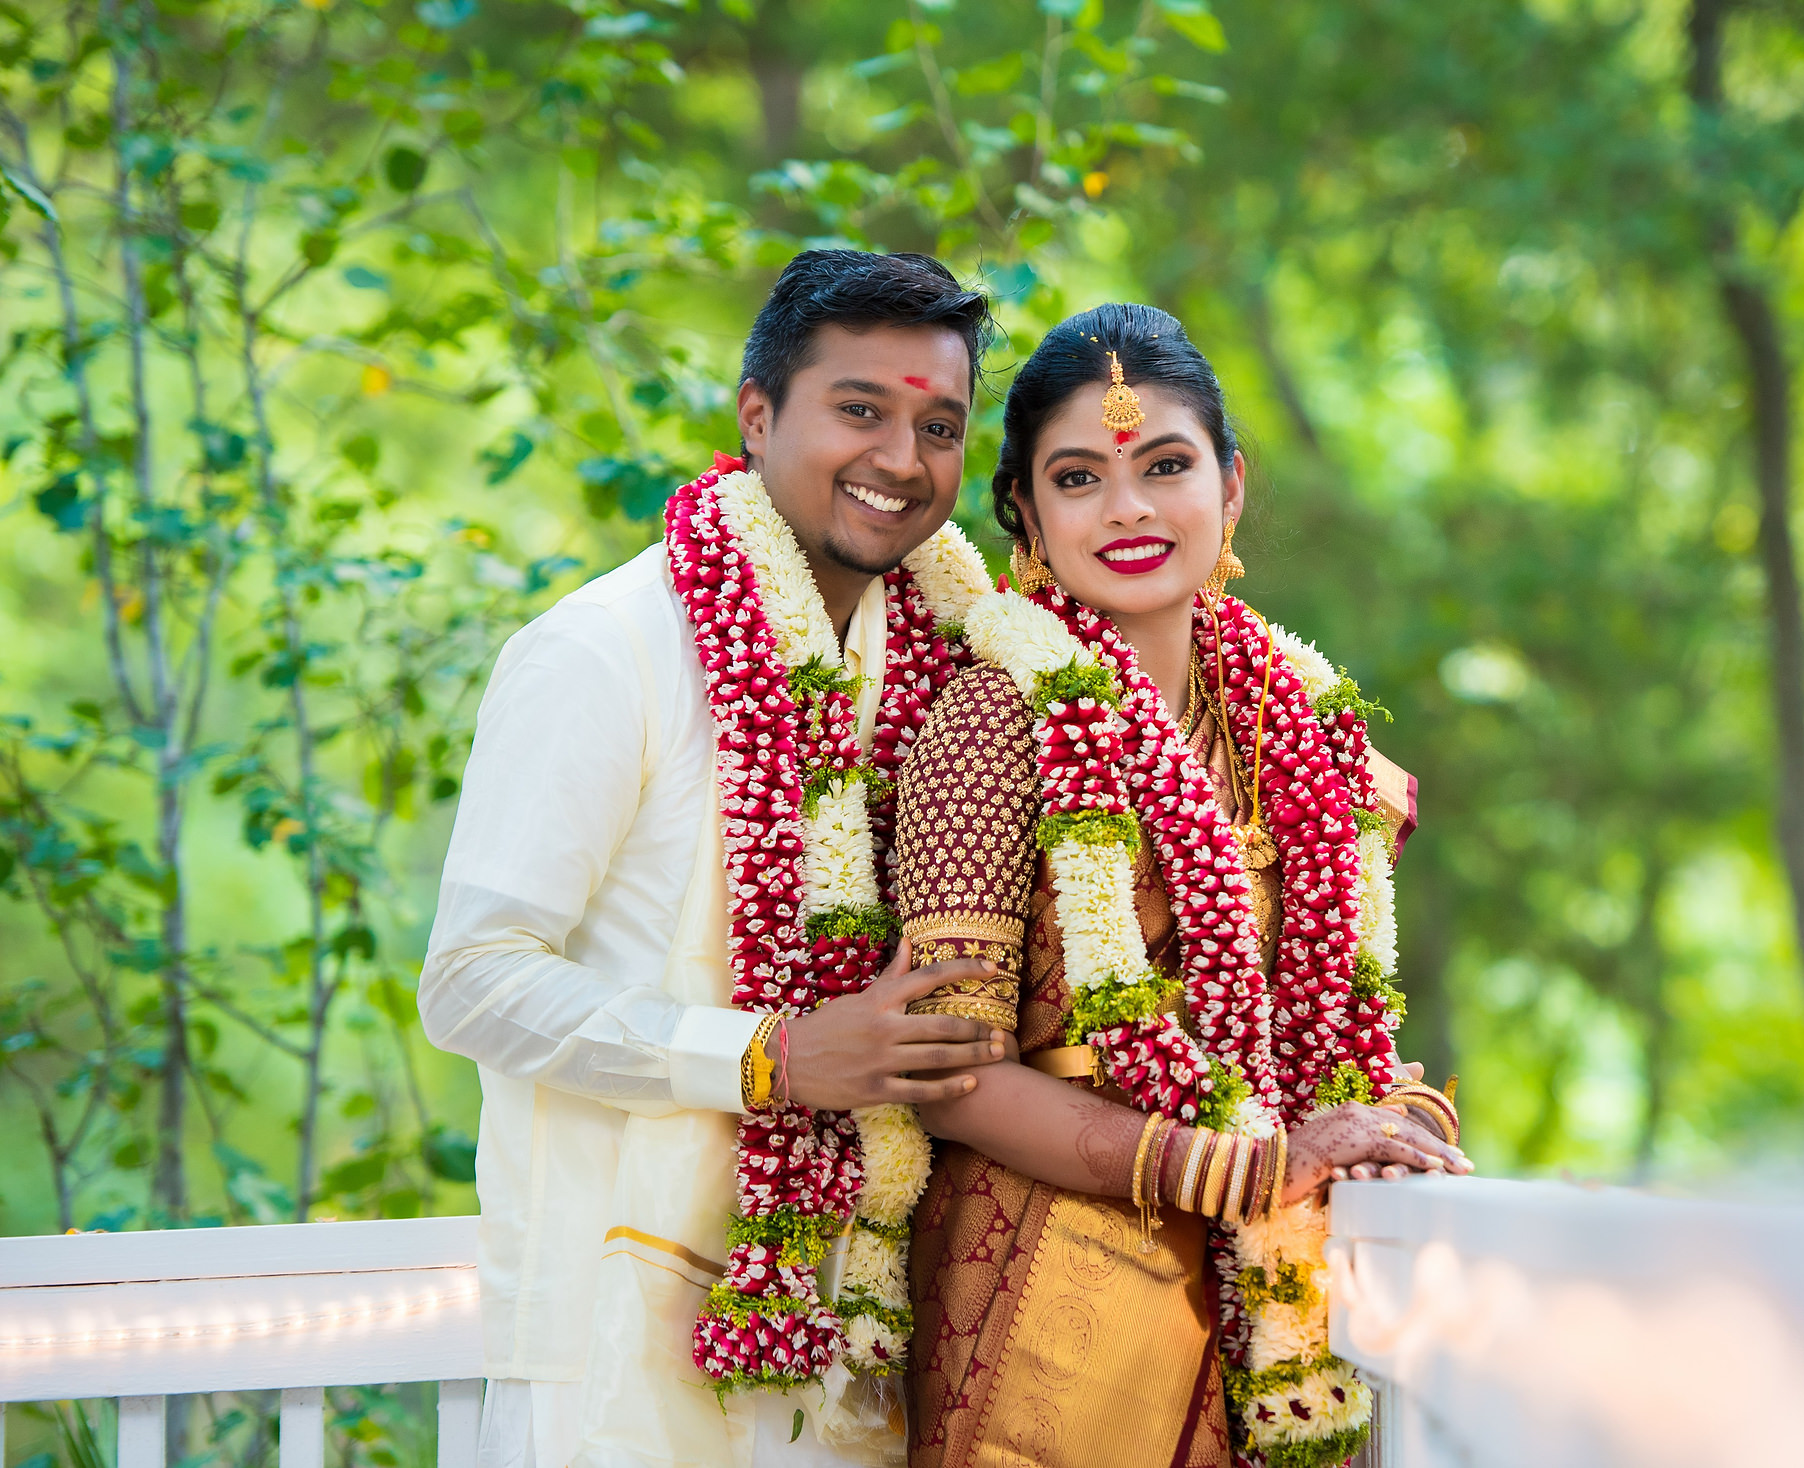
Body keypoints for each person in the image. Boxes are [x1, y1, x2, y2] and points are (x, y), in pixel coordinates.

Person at [419, 250, 1014, 1468]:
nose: (902, 460)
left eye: (938, 425)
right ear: (756, 413)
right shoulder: (603, 650)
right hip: (620, 1348)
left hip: (855, 1340)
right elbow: (471, 979)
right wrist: (768, 1056)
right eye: (859, 409)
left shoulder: (950, 672)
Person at [890, 303, 1473, 1468]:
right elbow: (948, 1073)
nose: (1131, 509)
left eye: (1166, 464)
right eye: (1079, 477)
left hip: (1283, 1295)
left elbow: (1323, 1029)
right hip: (1050, 1312)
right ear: (1024, 515)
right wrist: (1254, 1164)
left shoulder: (1299, 730)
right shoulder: (990, 721)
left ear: (1232, 485)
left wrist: (1395, 1123)